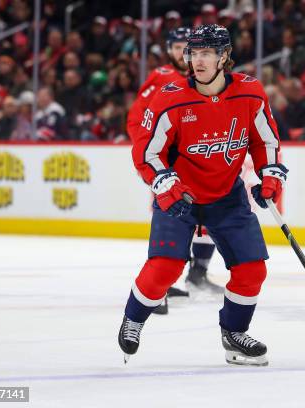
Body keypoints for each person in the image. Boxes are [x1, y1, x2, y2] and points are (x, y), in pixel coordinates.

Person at [119, 24, 286, 367]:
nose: (198, 60)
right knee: (164, 268)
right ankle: (134, 319)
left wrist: (270, 175)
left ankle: (235, 334)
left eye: (207, 53)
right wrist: (166, 184)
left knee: (252, 269)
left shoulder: (250, 93)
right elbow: (148, 153)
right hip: (180, 197)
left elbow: (264, 140)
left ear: (224, 56)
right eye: (194, 53)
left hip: (227, 195)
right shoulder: (171, 96)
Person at [127, 27, 224, 316]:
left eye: (189, 46)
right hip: (167, 167)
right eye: (178, 45)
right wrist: (150, 158)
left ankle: (195, 274)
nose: (184, 51)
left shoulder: (203, 77)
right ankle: (157, 287)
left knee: (205, 217)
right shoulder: (162, 77)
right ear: (170, 49)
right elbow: (137, 120)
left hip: (199, 162)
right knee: (168, 219)